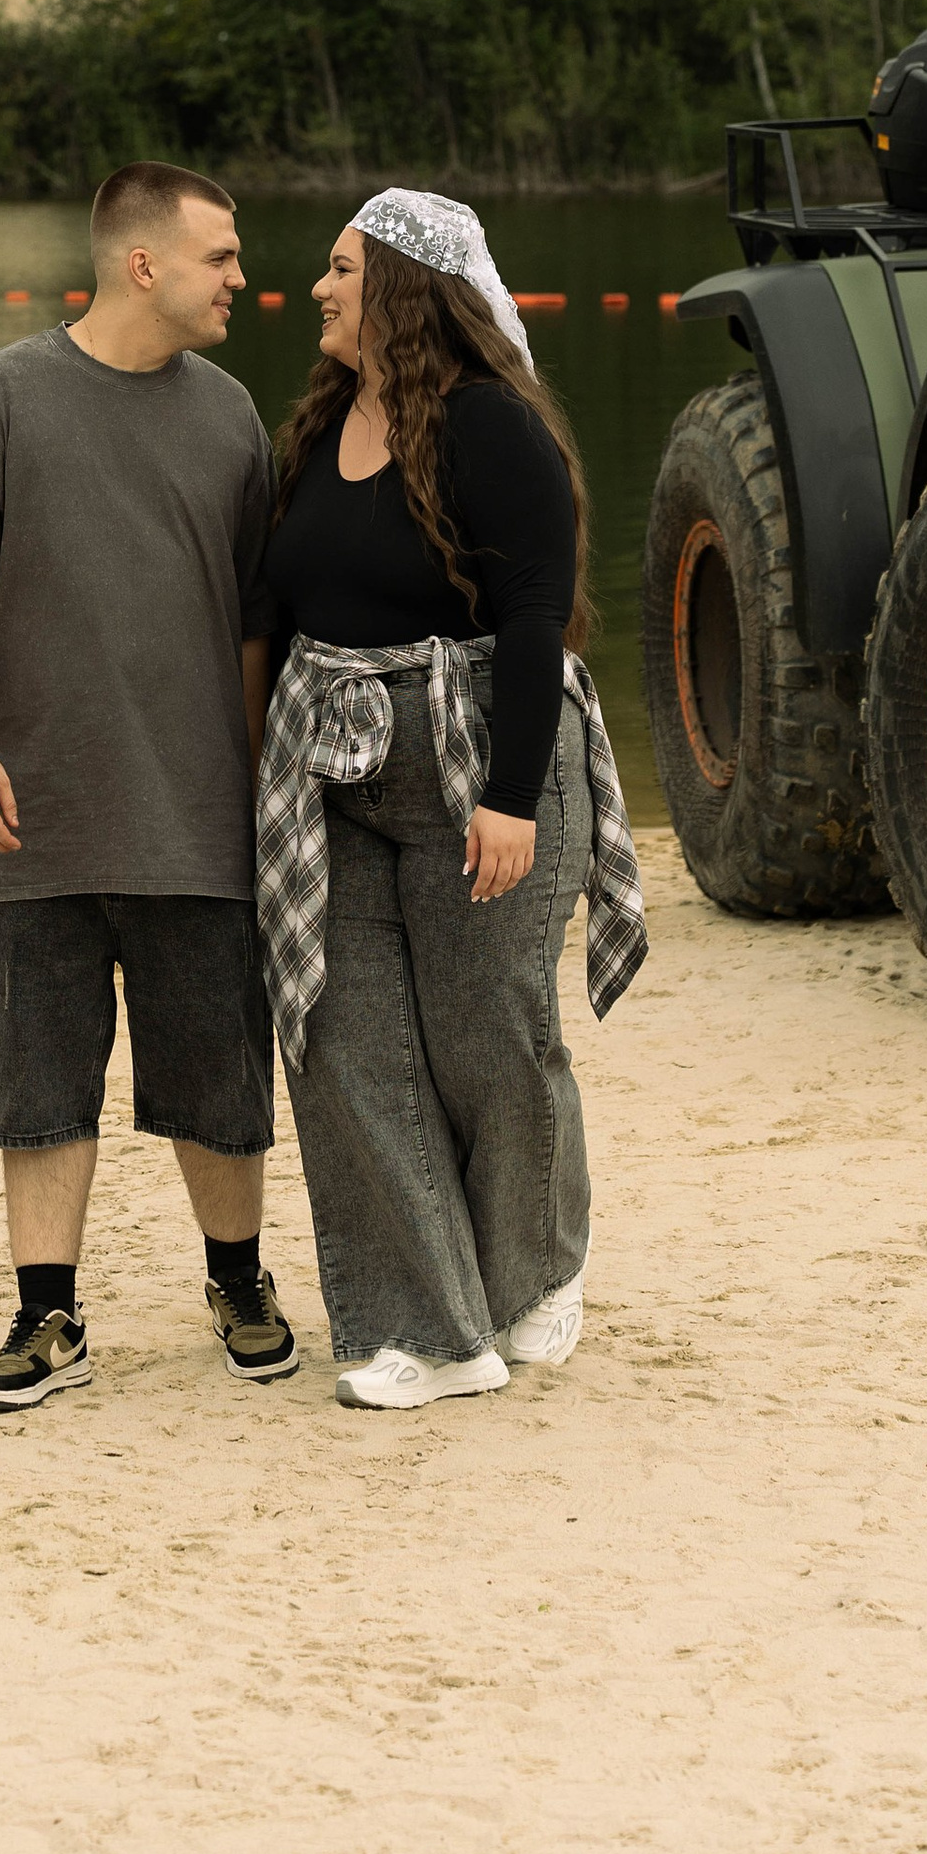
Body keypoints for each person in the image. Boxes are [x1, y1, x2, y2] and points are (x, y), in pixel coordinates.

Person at [0, 164, 297, 1413]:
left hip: (198, 813)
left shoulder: (228, 418)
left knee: (218, 1077)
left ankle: (240, 1281)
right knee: (35, 1082)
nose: (241, 278)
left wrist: (263, 769)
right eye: (220, 256)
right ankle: (46, 1319)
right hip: (31, 813)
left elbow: (253, 629)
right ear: (143, 264)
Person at [251, 190, 645, 1411]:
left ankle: (529, 1279)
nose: (318, 289)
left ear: (407, 291)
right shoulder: (320, 428)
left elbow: (533, 621)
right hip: (335, 775)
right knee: (346, 1046)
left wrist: (514, 799)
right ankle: (427, 1333)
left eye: (340, 269)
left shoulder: (492, 429)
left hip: (479, 756)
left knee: (489, 1039)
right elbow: (276, 609)